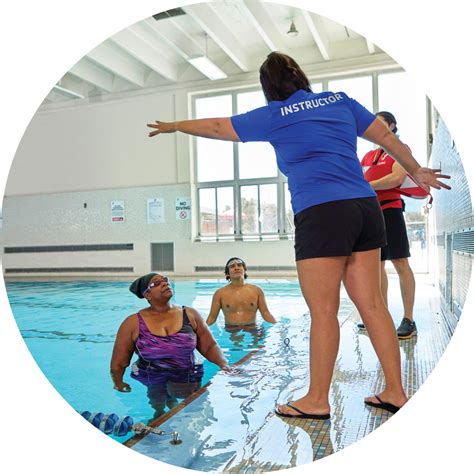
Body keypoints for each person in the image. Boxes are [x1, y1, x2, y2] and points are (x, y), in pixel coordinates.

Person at [146, 52, 450, 419]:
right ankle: (395, 392)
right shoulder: (339, 101)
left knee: (324, 311)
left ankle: (317, 400)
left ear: (268, 87)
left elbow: (215, 126)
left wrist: (177, 124)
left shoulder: (274, 115)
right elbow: (385, 135)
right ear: (300, 76)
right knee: (372, 304)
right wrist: (416, 170)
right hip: (365, 207)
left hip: (321, 212)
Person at [110, 272, 230, 419]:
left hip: (186, 373)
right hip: (152, 374)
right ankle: (159, 411)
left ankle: (170, 404)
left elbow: (209, 346)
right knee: (158, 400)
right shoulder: (132, 323)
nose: (165, 283)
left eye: (165, 280)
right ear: (147, 294)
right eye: (157, 283)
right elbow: (119, 362)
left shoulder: (190, 315)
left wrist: (223, 364)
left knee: (190, 409)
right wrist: (118, 382)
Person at [357, 111, 417, 339]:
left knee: (400, 262)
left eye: (380, 122)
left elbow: (396, 178)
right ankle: (380, 317)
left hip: (390, 210)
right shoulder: (367, 156)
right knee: (377, 265)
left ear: (392, 126)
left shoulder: (400, 148)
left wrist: (368, 186)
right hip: (370, 213)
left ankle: (409, 320)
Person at [206, 257, 277, 327]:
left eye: (239, 265)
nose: (236, 268)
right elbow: (212, 317)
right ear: (227, 273)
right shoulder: (220, 294)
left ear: (244, 270)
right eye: (232, 266)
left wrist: (276, 327)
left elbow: (266, 313)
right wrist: (201, 332)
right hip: (231, 329)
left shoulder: (257, 291)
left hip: (252, 328)